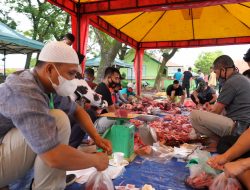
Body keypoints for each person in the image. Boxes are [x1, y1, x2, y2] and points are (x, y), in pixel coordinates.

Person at [0, 41, 111, 189]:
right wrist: (94, 160)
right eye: (71, 73)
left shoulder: (46, 85)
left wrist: (97, 138)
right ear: (50, 69)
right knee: (58, 119)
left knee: (58, 118)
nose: (73, 80)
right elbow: (53, 156)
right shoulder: (24, 90)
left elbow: (78, 111)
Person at [190, 55, 250, 144]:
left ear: (223, 70)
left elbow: (216, 112)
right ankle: (220, 142)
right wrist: (211, 109)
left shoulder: (231, 82)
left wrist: (210, 111)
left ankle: (220, 142)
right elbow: (224, 110)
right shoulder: (240, 78)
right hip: (244, 126)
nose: (217, 77)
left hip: (239, 128)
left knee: (195, 115)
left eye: (216, 72)